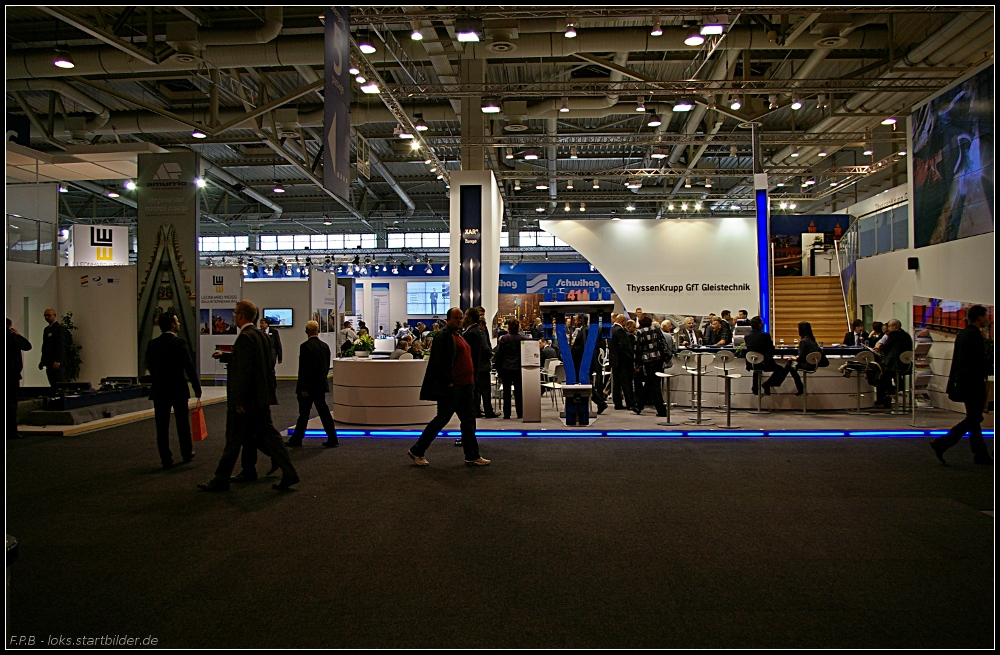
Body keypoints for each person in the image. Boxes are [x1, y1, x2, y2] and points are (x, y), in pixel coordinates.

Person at [200, 300, 299, 491]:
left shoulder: (246, 336)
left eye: (235, 312)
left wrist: (239, 401)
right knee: (262, 436)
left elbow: (244, 371)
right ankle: (261, 471)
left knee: (235, 439)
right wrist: (226, 355)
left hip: (247, 400)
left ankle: (221, 479)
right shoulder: (260, 335)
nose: (233, 316)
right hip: (260, 396)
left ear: (241, 315)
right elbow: (252, 361)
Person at [407, 308, 489, 467]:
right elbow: (438, 363)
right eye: (456, 318)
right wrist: (449, 382)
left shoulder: (458, 335)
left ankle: (472, 455)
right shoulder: (443, 336)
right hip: (454, 388)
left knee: (468, 421)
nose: (459, 320)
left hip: (465, 386)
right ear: (449, 319)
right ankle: (417, 450)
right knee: (441, 420)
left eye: (460, 318)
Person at [932, 305, 992, 465]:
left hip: (965, 383)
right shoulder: (974, 336)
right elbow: (977, 361)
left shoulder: (963, 334)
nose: (987, 319)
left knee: (974, 418)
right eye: (985, 316)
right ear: (979, 317)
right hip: (973, 383)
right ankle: (943, 443)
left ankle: (980, 454)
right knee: (975, 417)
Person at [145, 311, 202, 469]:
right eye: (177, 321)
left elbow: (149, 366)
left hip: (160, 389)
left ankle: (166, 459)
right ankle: (186, 452)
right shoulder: (180, 343)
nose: (179, 324)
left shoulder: (152, 344)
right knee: (182, 424)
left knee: (161, 427)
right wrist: (197, 387)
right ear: (172, 324)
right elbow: (189, 367)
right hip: (178, 388)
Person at [287, 320, 338, 449]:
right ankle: (332, 437)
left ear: (306, 331)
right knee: (324, 412)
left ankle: (297, 439)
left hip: (308, 387)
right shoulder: (325, 346)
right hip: (320, 385)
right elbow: (326, 367)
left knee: (304, 414)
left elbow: (304, 369)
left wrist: (303, 388)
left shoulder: (305, 346)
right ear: (318, 331)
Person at [462, 308, 497, 419]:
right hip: (481, 366)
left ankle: (478, 410)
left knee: (478, 390)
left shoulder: (470, 332)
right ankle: (486, 411)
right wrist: (490, 354)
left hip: (476, 365)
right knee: (484, 390)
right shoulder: (477, 332)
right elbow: (484, 347)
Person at [570, 316, 608, 414]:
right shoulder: (588, 330)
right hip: (588, 361)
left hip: (583, 362)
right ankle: (599, 403)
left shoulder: (584, 331)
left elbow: (580, 348)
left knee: (584, 384)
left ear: (580, 320)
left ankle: (600, 403)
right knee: (586, 384)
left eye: (576, 320)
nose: (574, 322)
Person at [873, 318, 914, 409]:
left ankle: (884, 398)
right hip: (905, 364)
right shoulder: (906, 335)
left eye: (890, 326)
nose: (889, 328)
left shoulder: (894, 334)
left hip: (894, 364)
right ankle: (891, 392)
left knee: (879, 375)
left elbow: (886, 346)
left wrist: (880, 348)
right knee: (885, 376)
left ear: (895, 326)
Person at [632, 315, 668, 416]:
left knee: (654, 384)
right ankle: (639, 406)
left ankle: (662, 410)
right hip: (659, 359)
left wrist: (636, 363)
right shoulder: (656, 329)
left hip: (648, 360)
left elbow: (638, 348)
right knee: (650, 382)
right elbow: (662, 343)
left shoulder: (640, 332)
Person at [494, 318, 526, 420]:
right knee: (518, 391)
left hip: (506, 367)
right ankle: (520, 412)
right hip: (518, 368)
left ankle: (507, 414)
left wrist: (497, 366)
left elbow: (500, 354)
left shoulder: (504, 338)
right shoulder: (522, 339)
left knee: (506, 392)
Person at [742, 315, 782, 395]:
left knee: (756, 369)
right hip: (765, 363)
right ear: (760, 324)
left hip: (752, 363)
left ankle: (755, 388)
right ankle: (767, 384)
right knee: (780, 370)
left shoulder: (747, 336)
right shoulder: (765, 335)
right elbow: (771, 349)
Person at [7, 318, 32, 440]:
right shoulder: (12, 338)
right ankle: (11, 431)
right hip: (11, 375)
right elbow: (27, 346)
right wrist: (18, 334)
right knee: (11, 404)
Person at [609, 314, 636, 411]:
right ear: (623, 321)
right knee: (626, 382)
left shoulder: (611, 329)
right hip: (622, 361)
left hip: (614, 361)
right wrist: (630, 357)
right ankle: (630, 403)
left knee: (616, 383)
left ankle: (618, 403)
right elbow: (624, 346)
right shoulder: (620, 330)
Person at [39, 307, 68, 385]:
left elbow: (61, 345)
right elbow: (45, 346)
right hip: (49, 361)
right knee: (52, 383)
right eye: (45, 316)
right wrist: (43, 361)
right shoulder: (46, 329)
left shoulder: (59, 328)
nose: (46, 317)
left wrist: (58, 360)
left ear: (54, 315)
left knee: (58, 383)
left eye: (48, 315)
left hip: (56, 362)